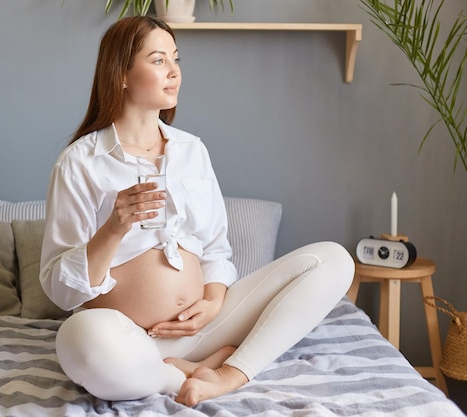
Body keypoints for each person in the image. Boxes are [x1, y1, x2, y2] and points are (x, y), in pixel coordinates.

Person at [39, 15, 354, 407]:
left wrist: (213, 301)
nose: (174, 73)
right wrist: (114, 228)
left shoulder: (192, 150)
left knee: (333, 260)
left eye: (176, 59)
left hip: (207, 325)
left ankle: (228, 374)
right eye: (158, 61)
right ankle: (181, 374)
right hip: (131, 340)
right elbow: (58, 288)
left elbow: (216, 249)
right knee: (78, 339)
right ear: (121, 73)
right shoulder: (79, 162)